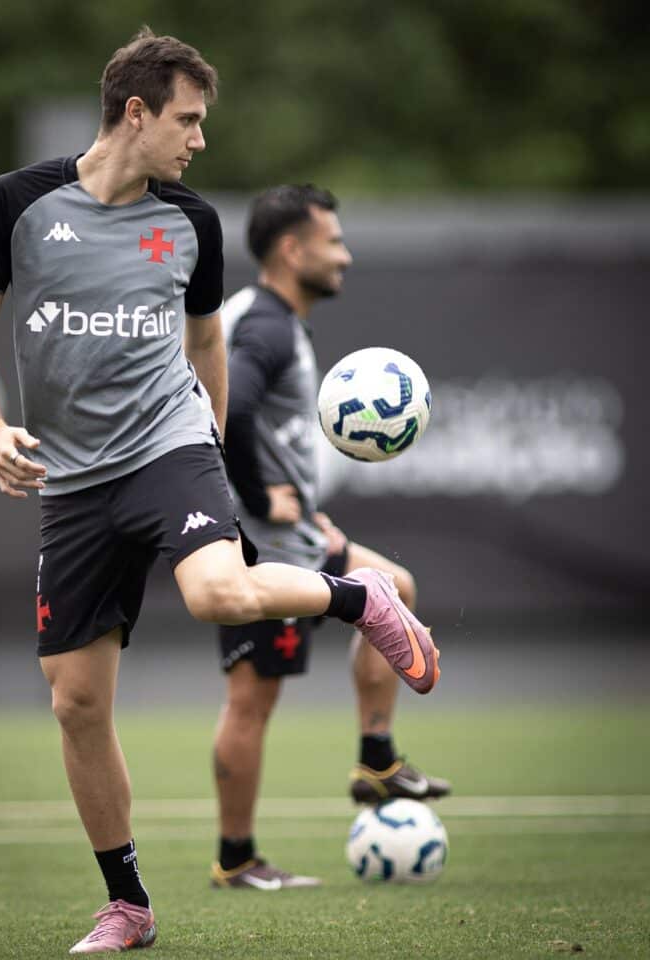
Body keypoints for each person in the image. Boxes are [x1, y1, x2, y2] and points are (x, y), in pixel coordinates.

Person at [0, 30, 439, 954]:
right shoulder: (16, 204)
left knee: (217, 594)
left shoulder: (192, 221)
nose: (198, 141)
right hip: (73, 480)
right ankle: (128, 906)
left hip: (169, 447)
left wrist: (205, 443)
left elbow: (208, 345)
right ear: (136, 112)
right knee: (76, 703)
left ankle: (358, 596)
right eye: (188, 120)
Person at [210, 185, 450, 891]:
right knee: (252, 701)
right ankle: (237, 859)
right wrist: (260, 501)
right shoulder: (268, 327)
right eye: (333, 240)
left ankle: (376, 759)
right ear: (293, 249)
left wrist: (300, 507)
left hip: (294, 535)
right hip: (262, 547)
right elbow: (231, 408)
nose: (345, 254)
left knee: (394, 590)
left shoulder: (271, 319)